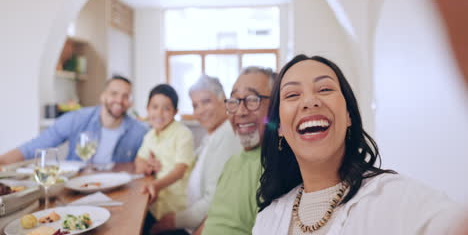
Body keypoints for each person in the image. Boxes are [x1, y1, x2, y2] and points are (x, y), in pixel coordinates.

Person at [253, 55, 463, 234]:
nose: (310, 101)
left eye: (325, 89)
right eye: (292, 95)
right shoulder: (268, 220)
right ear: (279, 127)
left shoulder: (396, 198)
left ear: (348, 116)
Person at [151, 75, 242, 234]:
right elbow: (190, 162)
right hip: (190, 218)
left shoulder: (227, 136)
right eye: (195, 105)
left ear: (224, 100)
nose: (200, 110)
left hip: (197, 226)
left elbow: (213, 201)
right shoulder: (213, 136)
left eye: (206, 101)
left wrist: (173, 220)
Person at [0, 75, 148, 165]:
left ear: (131, 102)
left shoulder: (139, 132)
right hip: (77, 189)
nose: (119, 100)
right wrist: (3, 161)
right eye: (114, 93)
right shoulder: (77, 119)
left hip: (119, 192)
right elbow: (33, 148)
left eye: (125, 96)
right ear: (103, 96)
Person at [200, 67, 276, 235]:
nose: (240, 112)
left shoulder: (274, 166)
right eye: (234, 101)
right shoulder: (233, 161)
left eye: (252, 99)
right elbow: (214, 217)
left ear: (275, 107)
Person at [137, 84, 195, 229]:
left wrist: (155, 185)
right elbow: (138, 161)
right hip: (153, 208)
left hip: (176, 211)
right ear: (147, 109)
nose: (159, 113)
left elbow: (180, 170)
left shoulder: (183, 133)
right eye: (155, 107)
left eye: (166, 108)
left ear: (175, 112)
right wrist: (147, 166)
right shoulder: (149, 135)